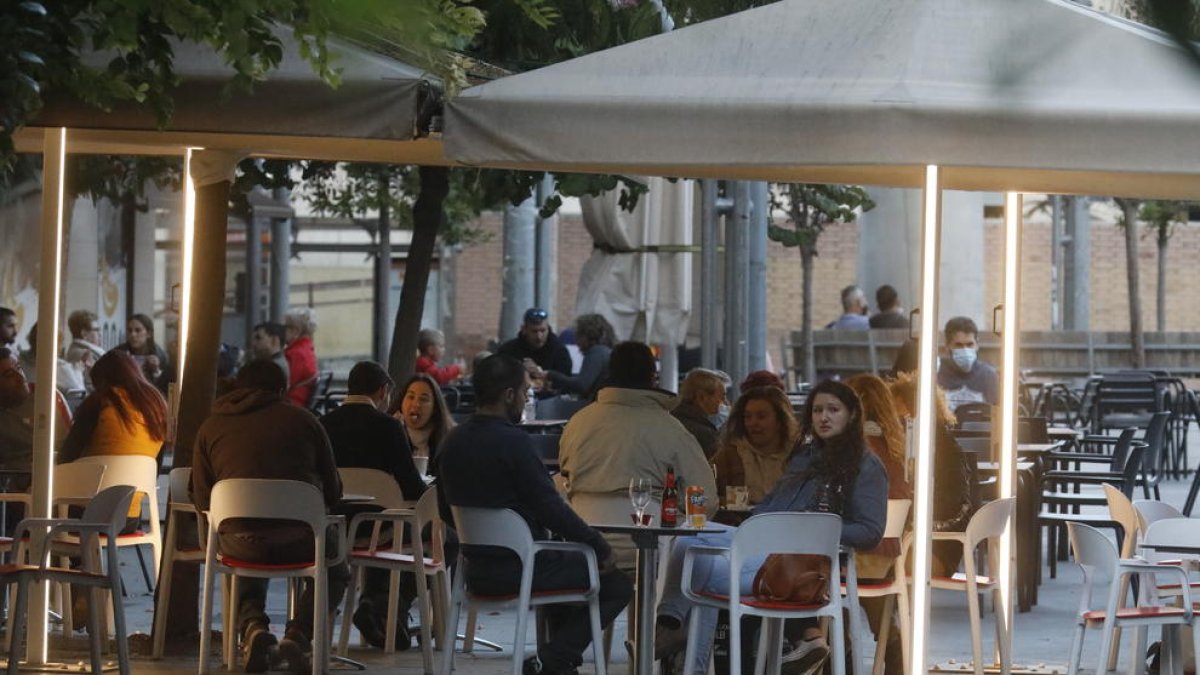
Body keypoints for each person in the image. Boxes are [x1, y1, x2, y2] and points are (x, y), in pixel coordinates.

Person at [654, 379, 888, 675]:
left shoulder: (866, 465)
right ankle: (671, 623)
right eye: (817, 410)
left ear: (852, 415)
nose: (824, 417)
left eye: (833, 410)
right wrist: (760, 523)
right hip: (762, 550)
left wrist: (811, 530)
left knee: (697, 576)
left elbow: (870, 532)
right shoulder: (805, 455)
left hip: (800, 569)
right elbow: (773, 502)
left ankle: (681, 645)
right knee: (689, 537)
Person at [436, 354, 632, 675]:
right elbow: (550, 507)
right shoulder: (514, 443)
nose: (527, 399)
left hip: (474, 570)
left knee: (565, 564)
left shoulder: (451, 441)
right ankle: (556, 657)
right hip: (523, 568)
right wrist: (598, 544)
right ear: (509, 395)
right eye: (525, 392)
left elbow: (446, 510)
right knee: (616, 585)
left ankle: (555, 660)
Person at [191, 360, 346, 674]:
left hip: (236, 542)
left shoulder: (211, 426)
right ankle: (299, 635)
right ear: (281, 389)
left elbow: (202, 496)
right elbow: (333, 491)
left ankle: (253, 629)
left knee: (245, 538)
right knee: (337, 567)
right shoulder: (305, 421)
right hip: (301, 541)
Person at [557, 342, 718, 568]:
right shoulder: (671, 429)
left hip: (584, 545)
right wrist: (674, 517)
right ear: (653, 377)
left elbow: (565, 482)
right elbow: (704, 499)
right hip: (652, 548)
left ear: (609, 375)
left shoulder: (577, 423)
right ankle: (667, 605)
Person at [320, 361, 426, 650]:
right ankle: (379, 604)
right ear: (383, 391)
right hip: (381, 529)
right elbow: (411, 487)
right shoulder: (389, 427)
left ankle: (376, 604)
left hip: (332, 526)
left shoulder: (323, 424)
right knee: (436, 538)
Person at [844, 374, 912, 675]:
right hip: (888, 556)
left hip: (856, 556)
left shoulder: (853, 451)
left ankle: (832, 649)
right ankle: (892, 643)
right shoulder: (895, 449)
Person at [58, 350, 167, 524]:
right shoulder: (156, 406)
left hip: (85, 516)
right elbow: (155, 469)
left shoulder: (100, 402)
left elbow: (66, 457)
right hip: (130, 518)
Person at [889, 372, 973, 576]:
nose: (895, 422)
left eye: (903, 417)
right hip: (927, 541)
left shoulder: (942, 450)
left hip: (937, 547)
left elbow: (948, 509)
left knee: (872, 564)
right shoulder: (913, 448)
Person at [711, 386, 801, 506]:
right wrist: (731, 503)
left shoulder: (799, 456)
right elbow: (698, 494)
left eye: (761, 416)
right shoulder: (730, 456)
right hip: (740, 523)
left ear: (780, 420)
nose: (753, 423)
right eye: (748, 417)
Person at [0, 348, 70, 496]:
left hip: (51, 478)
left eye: (19, 367)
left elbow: (69, 447)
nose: (20, 377)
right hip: (9, 486)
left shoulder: (47, 398)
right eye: (9, 375)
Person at [393, 372, 456, 476]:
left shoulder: (448, 438)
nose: (416, 404)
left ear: (435, 408)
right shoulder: (389, 431)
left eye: (423, 399)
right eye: (411, 397)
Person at [540, 313, 614, 399]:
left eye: (578, 334)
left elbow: (581, 385)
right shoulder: (604, 351)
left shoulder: (597, 352)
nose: (576, 340)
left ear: (587, 335)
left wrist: (551, 375)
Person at [937, 316, 998, 411]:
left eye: (970, 344)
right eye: (958, 345)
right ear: (947, 346)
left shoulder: (988, 375)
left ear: (977, 344)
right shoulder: (936, 373)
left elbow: (996, 413)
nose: (965, 350)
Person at [497, 307, 573, 383]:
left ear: (548, 329)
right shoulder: (508, 350)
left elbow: (566, 380)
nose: (539, 337)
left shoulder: (559, 350)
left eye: (543, 331)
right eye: (534, 331)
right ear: (524, 329)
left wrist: (541, 374)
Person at [671, 368, 730, 460]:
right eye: (722, 396)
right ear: (702, 397)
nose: (725, 402)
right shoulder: (705, 434)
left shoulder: (670, 420)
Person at [20, 322, 85, 394]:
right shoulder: (61, 367)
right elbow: (78, 393)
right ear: (57, 343)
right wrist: (78, 371)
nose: (63, 346)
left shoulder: (19, 361)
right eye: (61, 341)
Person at [115, 313, 171, 393]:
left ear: (148, 334)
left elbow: (164, 389)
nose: (133, 335)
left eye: (138, 330)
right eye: (130, 330)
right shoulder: (119, 353)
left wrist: (156, 371)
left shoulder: (161, 357)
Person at [284, 307, 319, 407]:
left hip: (291, 405)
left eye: (286, 327)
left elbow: (285, 384)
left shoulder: (296, 354)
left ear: (295, 331)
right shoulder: (307, 348)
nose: (283, 330)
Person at [65, 310, 106, 389]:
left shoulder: (75, 351)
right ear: (84, 334)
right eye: (96, 330)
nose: (100, 334)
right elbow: (91, 384)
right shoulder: (85, 354)